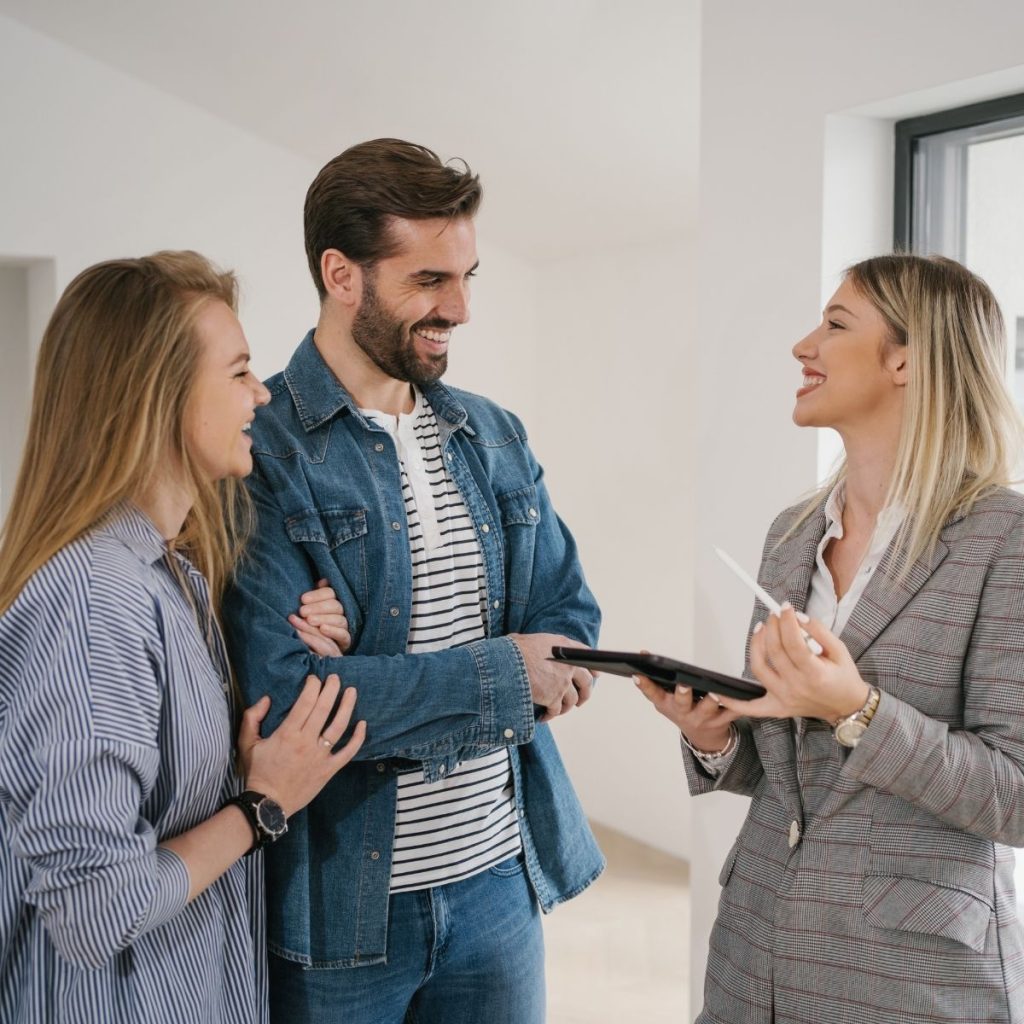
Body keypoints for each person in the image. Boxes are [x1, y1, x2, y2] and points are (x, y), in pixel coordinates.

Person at [221, 138, 604, 1023]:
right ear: (340, 273)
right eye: (430, 279)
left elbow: (571, 618)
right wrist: (509, 674)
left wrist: (372, 680)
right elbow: (286, 704)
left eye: (468, 275)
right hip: (343, 913)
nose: (460, 308)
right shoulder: (263, 448)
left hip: (501, 884)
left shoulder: (494, 434)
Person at [637, 254, 1024, 1023]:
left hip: (908, 983)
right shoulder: (791, 535)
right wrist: (717, 738)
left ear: (908, 359)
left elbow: (1015, 797)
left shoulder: (1003, 539)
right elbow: (789, 771)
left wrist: (860, 710)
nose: (802, 346)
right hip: (754, 959)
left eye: (835, 325)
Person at [0, 251, 366, 1023]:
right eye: (238, 372)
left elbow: (154, 794)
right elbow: (95, 907)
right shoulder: (96, 598)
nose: (260, 396)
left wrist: (296, 654)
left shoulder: (173, 574)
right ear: (157, 395)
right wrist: (264, 805)